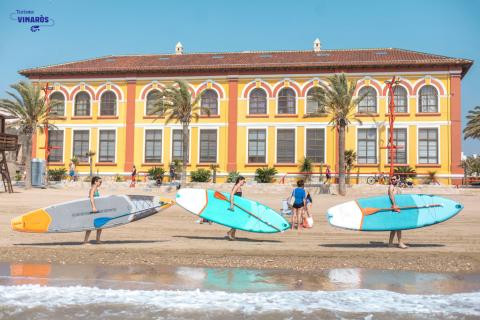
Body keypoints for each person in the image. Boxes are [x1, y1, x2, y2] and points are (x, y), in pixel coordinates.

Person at [388, 175, 408, 249]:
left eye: (394, 179)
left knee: (394, 227)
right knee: (399, 226)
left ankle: (390, 243)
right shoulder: (391, 187)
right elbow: (391, 195)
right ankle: (400, 243)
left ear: (397, 179)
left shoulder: (397, 187)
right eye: (391, 179)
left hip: (397, 208)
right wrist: (394, 205)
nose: (393, 180)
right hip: (395, 208)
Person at [84, 176, 103, 244]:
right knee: (90, 226)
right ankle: (85, 241)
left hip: (96, 209)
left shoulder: (96, 189)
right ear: (95, 182)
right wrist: (93, 207)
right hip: (93, 209)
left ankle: (98, 240)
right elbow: (91, 198)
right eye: (100, 182)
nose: (101, 183)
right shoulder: (93, 188)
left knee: (100, 225)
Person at [227, 176, 246, 240]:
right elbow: (232, 194)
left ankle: (233, 235)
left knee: (237, 220)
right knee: (237, 220)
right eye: (243, 181)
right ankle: (230, 232)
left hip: (238, 206)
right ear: (240, 180)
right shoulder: (236, 186)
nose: (244, 183)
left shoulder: (239, 187)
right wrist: (232, 205)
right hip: (234, 206)